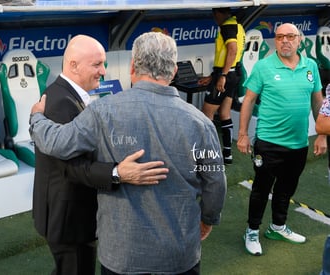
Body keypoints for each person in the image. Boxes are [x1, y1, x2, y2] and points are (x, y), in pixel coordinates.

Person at [30, 31, 227, 274]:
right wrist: (208, 219)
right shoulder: (202, 124)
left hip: (121, 256)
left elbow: (56, 142)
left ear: (133, 67)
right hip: (179, 255)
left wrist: (37, 117)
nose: (102, 70)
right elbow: (216, 183)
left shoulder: (103, 111)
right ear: (174, 71)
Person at [33, 34, 169, 275]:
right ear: (73, 65)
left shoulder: (64, 94)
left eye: (103, 63)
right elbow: (73, 167)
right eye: (97, 64)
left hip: (70, 216)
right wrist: (118, 173)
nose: (104, 71)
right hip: (68, 220)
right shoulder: (61, 102)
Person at [237, 23, 327, 256]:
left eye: (290, 36)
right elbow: (248, 101)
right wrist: (244, 134)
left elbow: (318, 101)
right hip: (268, 143)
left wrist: (322, 135)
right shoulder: (264, 67)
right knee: (261, 189)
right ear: (274, 41)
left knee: (287, 188)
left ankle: (278, 226)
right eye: (279, 37)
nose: (284, 41)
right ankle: (252, 230)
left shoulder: (311, 66)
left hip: (299, 144)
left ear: (299, 40)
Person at [199, 7, 245, 165]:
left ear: (218, 13)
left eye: (214, 15)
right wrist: (213, 75)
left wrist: (222, 76)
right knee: (225, 113)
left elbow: (232, 50)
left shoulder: (227, 26)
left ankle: (209, 155)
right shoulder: (238, 25)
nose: (215, 18)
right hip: (233, 73)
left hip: (226, 75)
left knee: (206, 114)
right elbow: (227, 55)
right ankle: (227, 154)